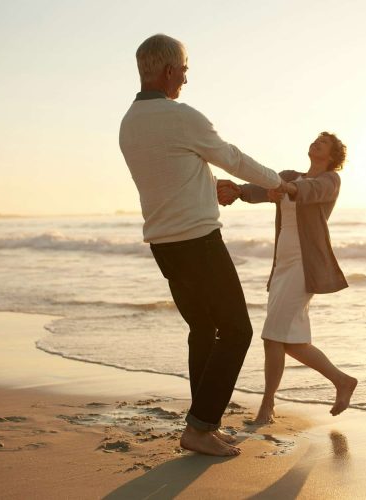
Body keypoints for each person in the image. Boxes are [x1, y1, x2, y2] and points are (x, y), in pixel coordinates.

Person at [118, 34, 284, 456]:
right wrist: (279, 184)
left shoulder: (129, 122)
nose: (186, 80)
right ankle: (199, 427)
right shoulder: (181, 116)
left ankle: (202, 425)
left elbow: (169, 179)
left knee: (204, 330)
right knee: (237, 331)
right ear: (170, 70)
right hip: (198, 242)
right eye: (185, 70)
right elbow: (234, 157)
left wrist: (212, 188)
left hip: (165, 245)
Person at [222, 132, 358, 424]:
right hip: (282, 265)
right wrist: (236, 191)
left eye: (323, 143)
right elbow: (259, 189)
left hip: (303, 265)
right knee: (283, 340)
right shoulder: (287, 176)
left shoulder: (330, 181)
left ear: (333, 156)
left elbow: (307, 191)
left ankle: (267, 407)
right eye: (315, 139)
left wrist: (281, 188)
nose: (316, 143)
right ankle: (341, 380)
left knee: (273, 336)